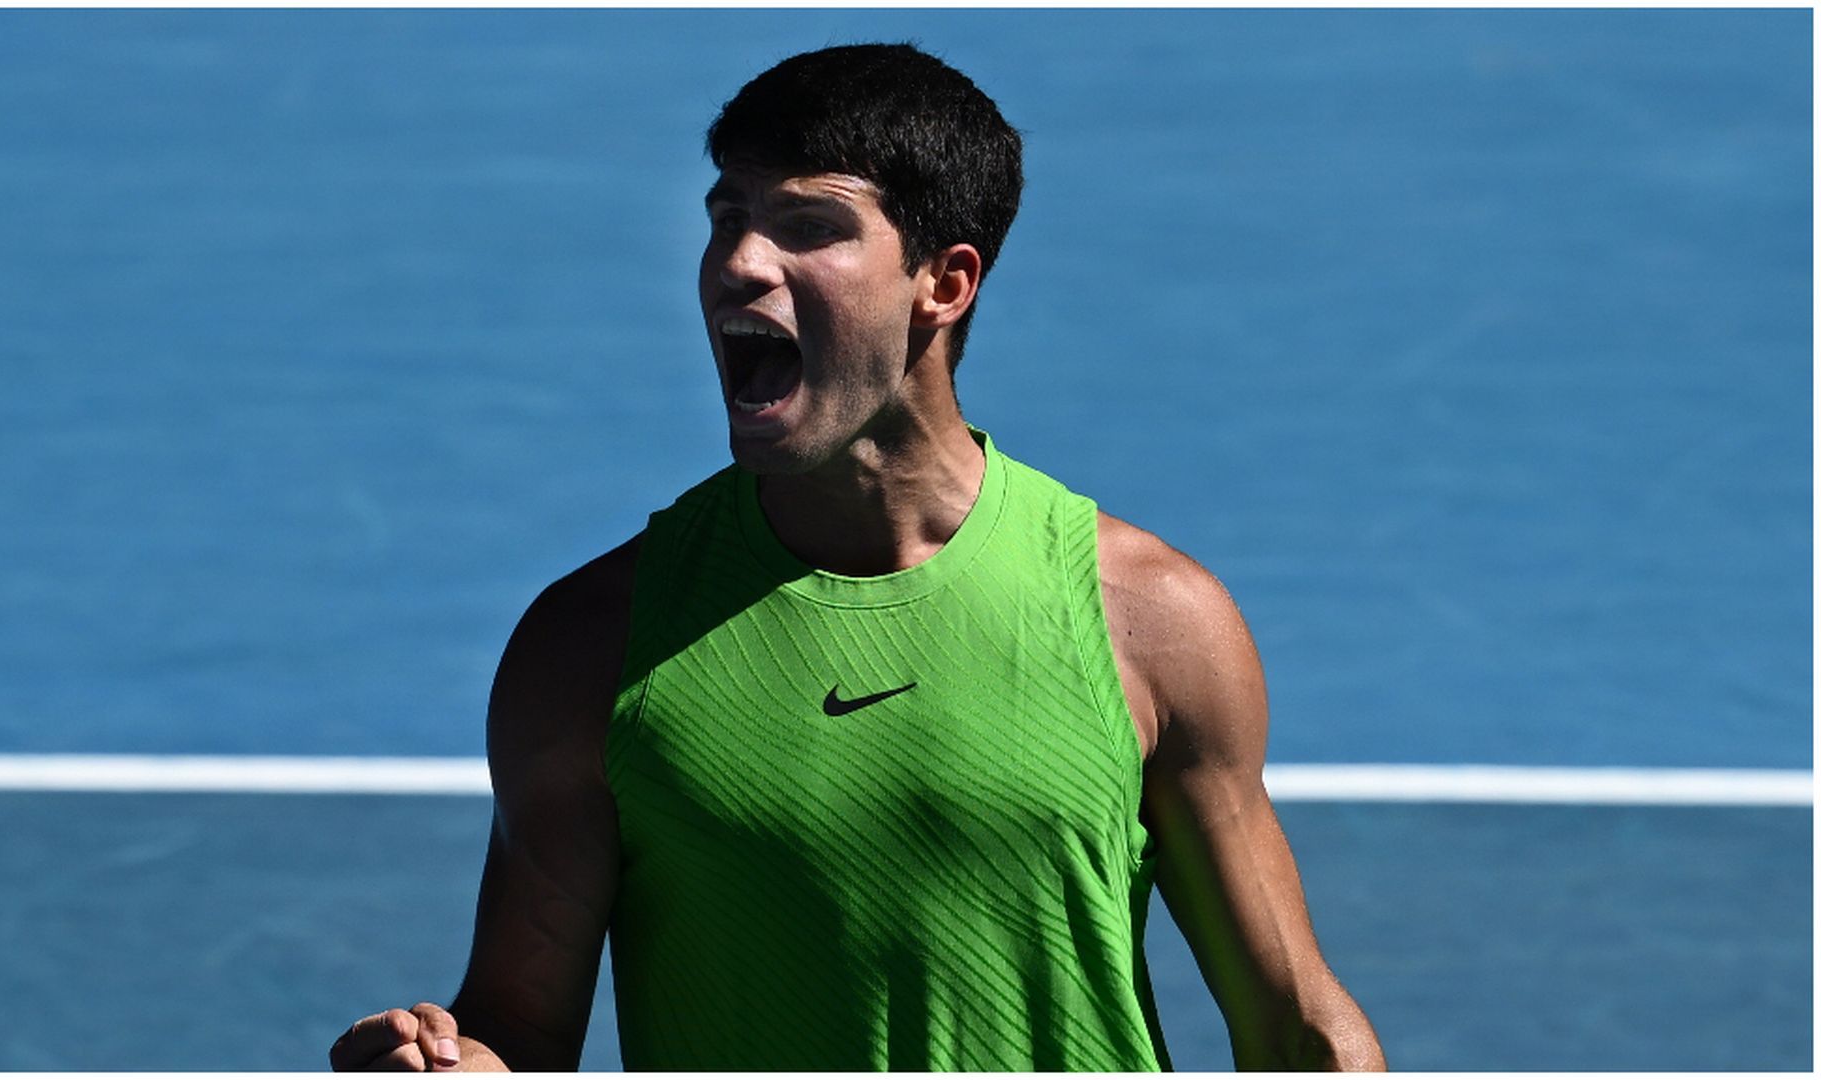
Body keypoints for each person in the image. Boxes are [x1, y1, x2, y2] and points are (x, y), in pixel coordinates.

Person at [329, 42, 1385, 1072]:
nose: (742, 262)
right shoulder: (590, 646)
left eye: (808, 228)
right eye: (730, 219)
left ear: (945, 282)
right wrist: (452, 1067)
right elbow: (517, 1028)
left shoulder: (1151, 619)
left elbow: (1299, 1031)